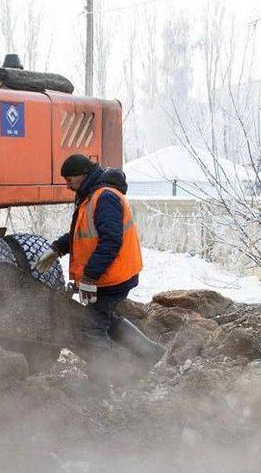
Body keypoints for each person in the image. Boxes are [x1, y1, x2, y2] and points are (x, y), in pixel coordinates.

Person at [33, 153, 164, 371]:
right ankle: (150, 352)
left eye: (69, 180)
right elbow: (82, 234)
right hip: (109, 275)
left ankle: (104, 382)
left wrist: (90, 277)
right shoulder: (92, 196)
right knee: (104, 318)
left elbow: (111, 241)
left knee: (92, 329)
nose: (67, 186)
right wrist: (57, 249)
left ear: (83, 175)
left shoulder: (104, 197)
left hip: (112, 277)